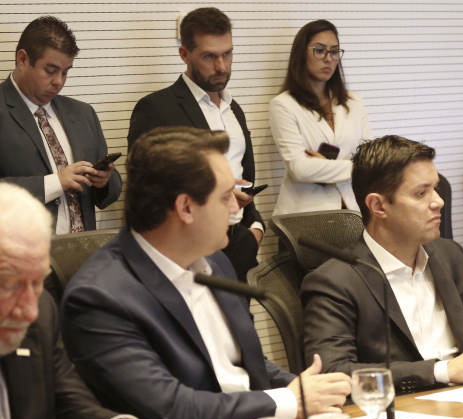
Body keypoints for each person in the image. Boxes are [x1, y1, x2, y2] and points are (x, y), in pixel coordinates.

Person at [59, 127, 351, 419]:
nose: (236, 209)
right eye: (226, 197)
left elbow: (244, 362)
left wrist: (313, 391)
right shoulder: (100, 297)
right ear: (185, 208)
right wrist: (290, 400)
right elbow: (170, 410)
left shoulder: (215, 262)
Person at [301, 135, 463, 394]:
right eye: (421, 193)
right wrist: (444, 371)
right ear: (378, 206)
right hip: (401, 411)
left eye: (435, 188)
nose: (438, 201)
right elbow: (332, 373)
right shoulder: (335, 281)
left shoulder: (450, 256)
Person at [0, 183, 162, 419]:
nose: (29, 309)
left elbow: (68, 406)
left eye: (36, 282)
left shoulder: (41, 312)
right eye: (8, 283)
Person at [127, 7, 264, 281]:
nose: (222, 66)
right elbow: (147, 192)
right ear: (184, 54)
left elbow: (245, 177)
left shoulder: (233, 108)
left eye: (227, 53)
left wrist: (256, 229)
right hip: (187, 253)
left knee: (238, 324)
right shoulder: (155, 109)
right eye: (209, 56)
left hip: (239, 244)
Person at [0, 16, 122, 234]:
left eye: (65, 72)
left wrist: (104, 182)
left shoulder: (83, 113)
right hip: (19, 258)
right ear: (22, 59)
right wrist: (54, 183)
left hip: (83, 256)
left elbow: (111, 191)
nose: (59, 81)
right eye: (50, 70)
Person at [268, 20, 372, 215]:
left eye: (334, 52)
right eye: (319, 50)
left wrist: (323, 166)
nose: (328, 59)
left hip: (352, 209)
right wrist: (354, 167)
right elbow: (299, 169)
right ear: (301, 54)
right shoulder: (283, 105)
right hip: (305, 214)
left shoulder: (353, 102)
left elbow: (370, 160)